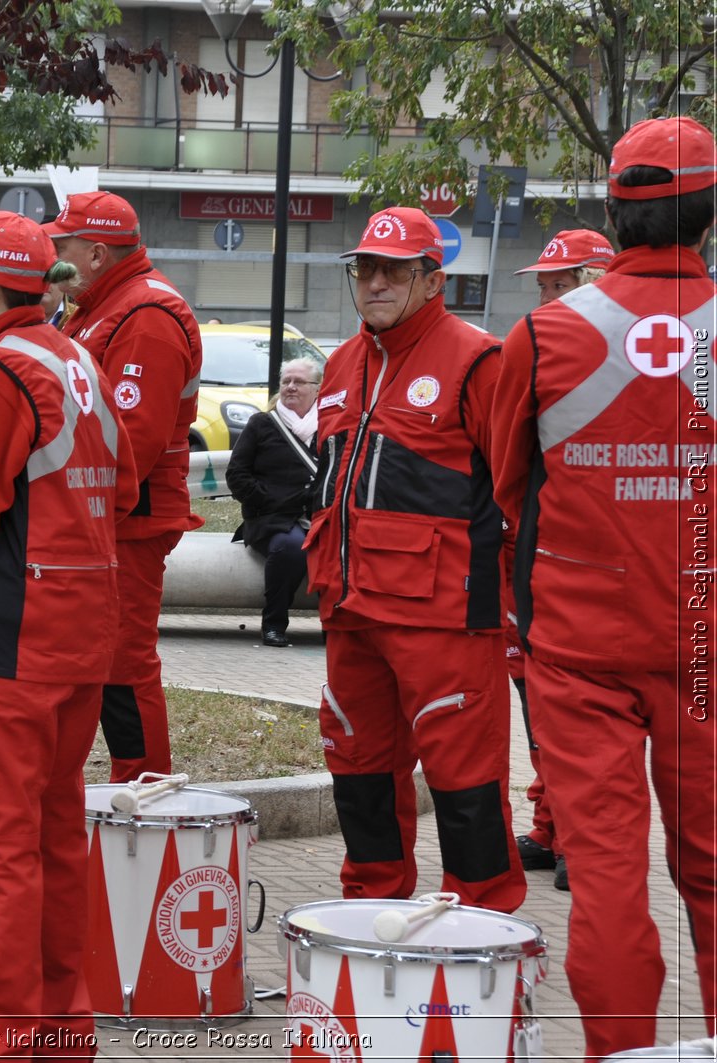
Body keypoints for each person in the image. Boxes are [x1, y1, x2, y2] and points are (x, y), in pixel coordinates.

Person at [490, 115, 716, 1061]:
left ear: (613, 217)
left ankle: (620, 1053)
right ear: (708, 216)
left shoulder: (542, 336)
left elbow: (508, 488)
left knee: (611, 877)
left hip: (579, 653)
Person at [0, 211, 137, 1058]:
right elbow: (118, 483)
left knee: (1, 837)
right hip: (81, 628)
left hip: (14, 635)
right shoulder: (76, 356)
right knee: (52, 832)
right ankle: (59, 1021)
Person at [304, 205, 525, 914]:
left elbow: (518, 490)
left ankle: (483, 918)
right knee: (356, 766)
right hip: (351, 611)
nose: (374, 282)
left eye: (393, 270)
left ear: (433, 280)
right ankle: (372, 908)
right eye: (365, 268)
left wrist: (517, 600)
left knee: (464, 775)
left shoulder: (477, 359)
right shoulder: (341, 363)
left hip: (444, 617)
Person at [45, 190, 203, 783]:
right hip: (104, 518)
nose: (53, 256)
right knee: (102, 658)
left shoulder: (146, 317)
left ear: (96, 252)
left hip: (127, 521)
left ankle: (144, 785)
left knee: (123, 662)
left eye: (62, 245)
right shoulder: (99, 304)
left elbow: (131, 441)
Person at [506, 226, 616, 892]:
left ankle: (577, 838)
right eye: (543, 287)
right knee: (538, 713)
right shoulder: (534, 354)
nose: (546, 299)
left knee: (575, 726)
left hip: (578, 581)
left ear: (598, 282)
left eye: (560, 285)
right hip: (528, 566)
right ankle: (551, 828)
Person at [226, 354, 322, 647]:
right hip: (271, 519)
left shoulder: (331, 425)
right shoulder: (261, 424)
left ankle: (337, 627)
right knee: (291, 548)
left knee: (341, 552)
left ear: (317, 388)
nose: (291, 387)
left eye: (299, 382)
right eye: (286, 381)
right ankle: (274, 624)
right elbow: (237, 474)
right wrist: (265, 500)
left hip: (319, 517)